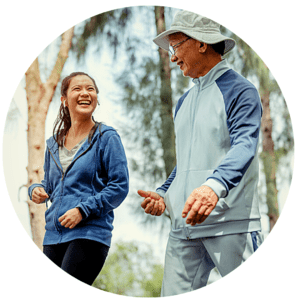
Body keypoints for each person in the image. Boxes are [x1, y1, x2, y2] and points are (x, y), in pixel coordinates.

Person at [138, 10, 264, 296]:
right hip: (184, 228)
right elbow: (186, 162)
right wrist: (164, 193)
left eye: (175, 46)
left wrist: (212, 188)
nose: (172, 57)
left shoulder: (241, 90)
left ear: (201, 43)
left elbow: (245, 145)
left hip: (231, 224)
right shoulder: (184, 101)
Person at [28, 72, 129, 285]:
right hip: (54, 235)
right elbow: (50, 184)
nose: (85, 93)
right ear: (64, 100)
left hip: (89, 234)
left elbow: (119, 186)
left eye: (90, 89)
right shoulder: (53, 144)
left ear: (97, 98)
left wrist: (83, 210)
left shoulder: (106, 137)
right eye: (77, 89)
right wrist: (36, 189)